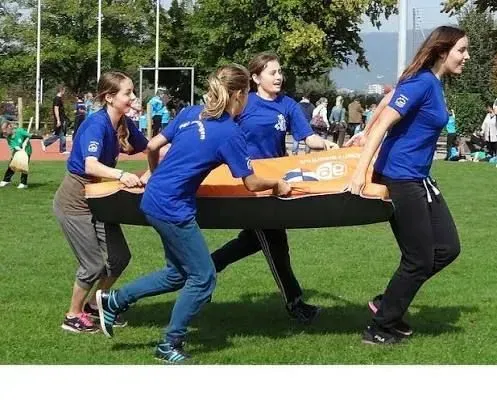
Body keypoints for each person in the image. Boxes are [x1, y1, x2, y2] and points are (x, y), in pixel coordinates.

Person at [95, 64, 291, 363]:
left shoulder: (190, 113)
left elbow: (153, 146)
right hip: (172, 208)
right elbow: (252, 183)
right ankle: (169, 343)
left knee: (177, 274)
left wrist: (155, 174)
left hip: (156, 199)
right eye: (247, 96)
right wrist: (277, 184)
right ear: (239, 94)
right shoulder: (230, 132)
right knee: (203, 277)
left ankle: (115, 300)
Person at [349, 26, 466, 345]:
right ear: (442, 51)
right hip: (400, 177)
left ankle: (388, 303)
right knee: (419, 259)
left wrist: (365, 129)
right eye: (461, 50)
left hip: (419, 177)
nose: (466, 56)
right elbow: (386, 121)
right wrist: (360, 170)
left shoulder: (432, 83)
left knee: (448, 248)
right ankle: (379, 327)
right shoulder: (422, 82)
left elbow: (388, 98)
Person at [210, 52, 333, 324]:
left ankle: (203, 270)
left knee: (253, 240)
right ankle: (295, 303)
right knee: (275, 242)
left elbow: (308, 137)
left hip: (275, 185)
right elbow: (220, 130)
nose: (279, 77)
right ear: (255, 78)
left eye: (280, 72)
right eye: (272, 72)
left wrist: (326, 144)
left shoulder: (287, 105)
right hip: (249, 184)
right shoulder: (245, 102)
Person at [53, 71, 149, 333]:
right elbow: (91, 165)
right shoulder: (96, 124)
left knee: (119, 257)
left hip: (101, 197)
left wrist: (180, 151)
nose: (133, 97)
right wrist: (122, 174)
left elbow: (152, 147)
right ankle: (73, 316)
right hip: (75, 201)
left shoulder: (124, 123)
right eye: (128, 93)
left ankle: (96, 305)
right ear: (109, 97)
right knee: (93, 264)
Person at [0, 120, 32, 189]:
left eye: (5, 131)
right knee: (12, 165)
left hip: (26, 151)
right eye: (3, 131)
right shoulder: (8, 137)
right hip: (17, 151)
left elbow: (30, 135)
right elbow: (15, 146)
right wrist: (20, 149)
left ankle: (23, 183)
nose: (4, 133)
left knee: (23, 166)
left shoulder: (20, 131)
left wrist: (25, 142)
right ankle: (6, 180)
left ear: (9, 127)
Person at [42, 85, 69, 154]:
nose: (64, 92)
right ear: (61, 90)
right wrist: (58, 120)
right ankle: (62, 150)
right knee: (62, 134)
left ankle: (45, 143)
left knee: (58, 135)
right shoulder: (57, 99)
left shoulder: (59, 98)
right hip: (60, 119)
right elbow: (56, 109)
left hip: (62, 118)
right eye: (64, 90)